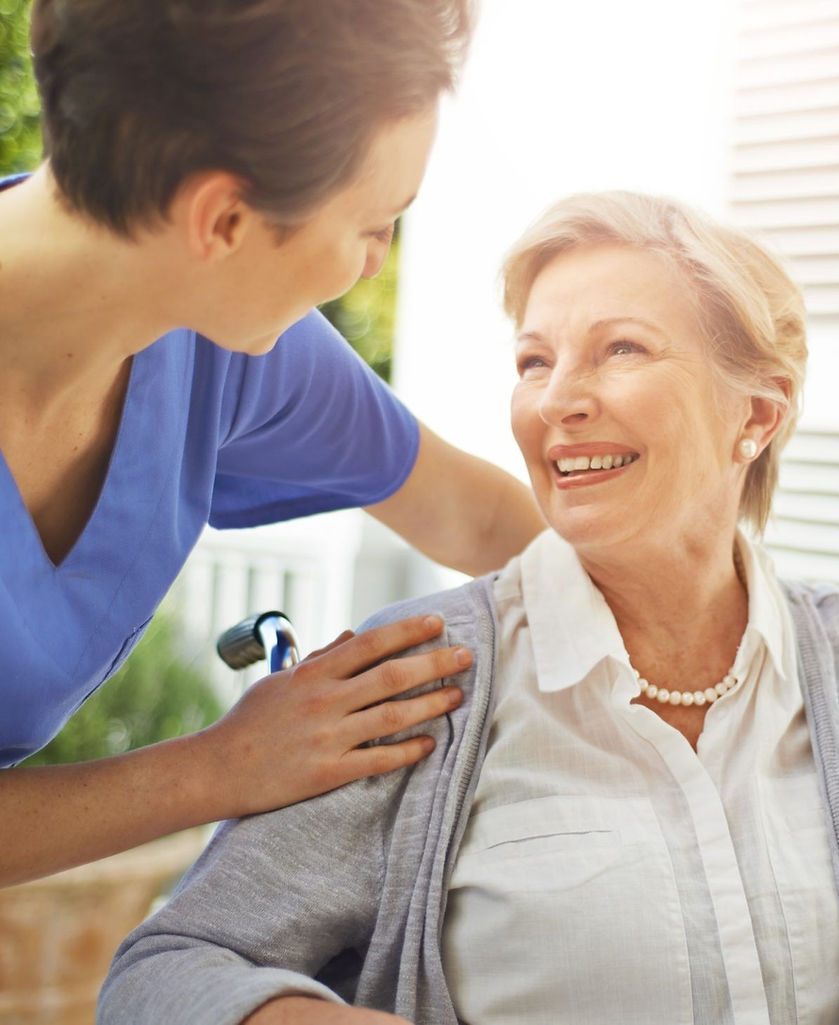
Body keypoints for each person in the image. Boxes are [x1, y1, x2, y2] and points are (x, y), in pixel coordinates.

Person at [98, 192, 839, 1025]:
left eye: (621, 349)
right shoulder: (420, 676)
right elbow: (167, 970)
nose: (557, 400)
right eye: (534, 362)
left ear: (755, 414)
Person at [0, 0, 547, 888]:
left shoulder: (216, 342)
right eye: (374, 225)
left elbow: (476, 516)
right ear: (223, 221)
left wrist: (726, 636)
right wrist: (223, 765)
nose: (376, 262)